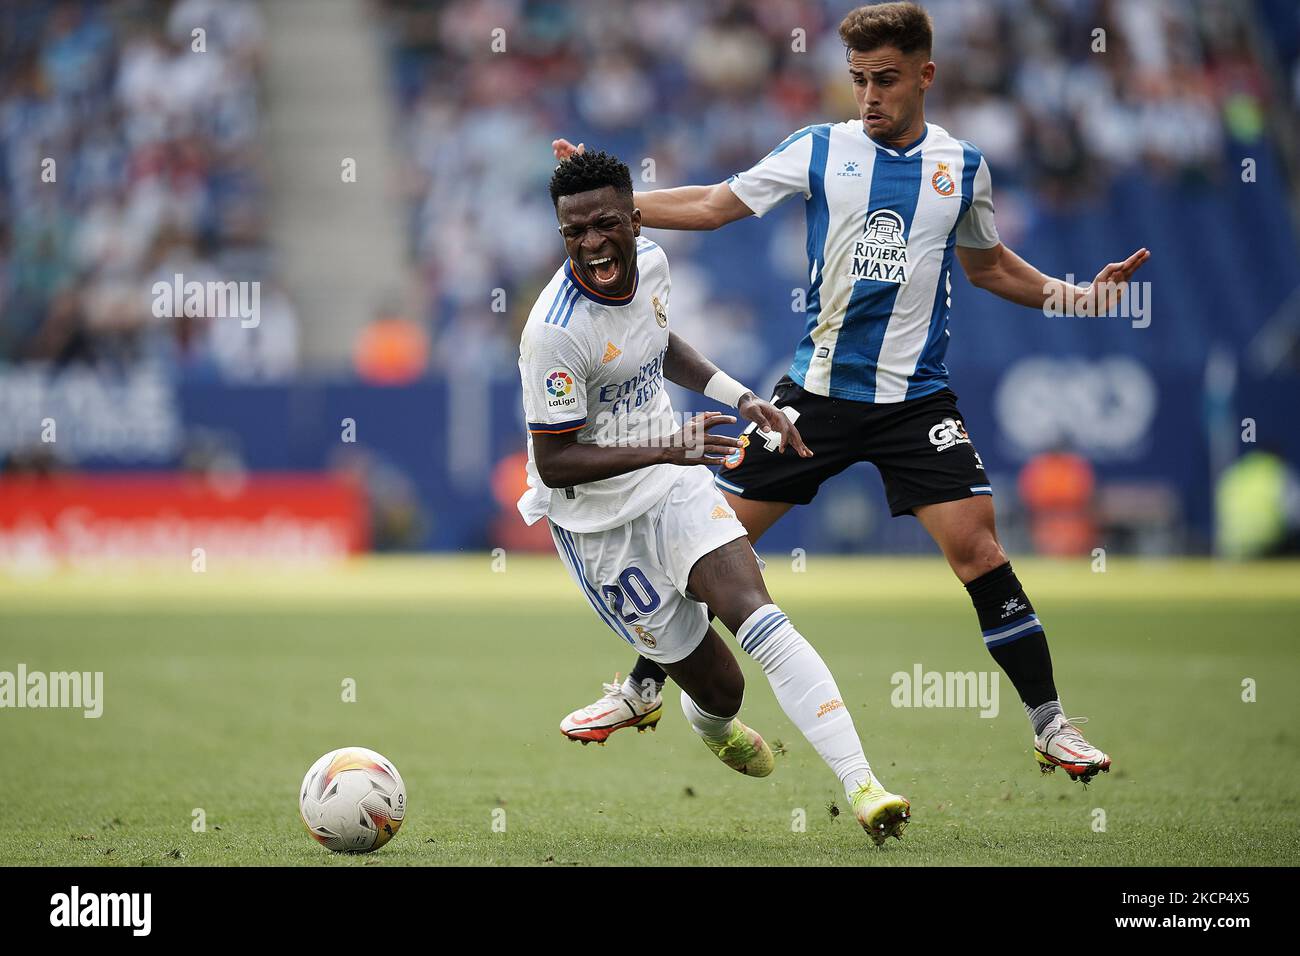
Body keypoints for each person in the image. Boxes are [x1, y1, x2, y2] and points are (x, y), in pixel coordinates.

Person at [554, 1, 1150, 784]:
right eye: (859, 80)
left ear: (925, 76)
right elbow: (712, 205)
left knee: (979, 550)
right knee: (711, 542)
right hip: (814, 398)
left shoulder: (961, 168)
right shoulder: (819, 149)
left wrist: (1079, 296)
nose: (869, 96)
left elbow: (990, 266)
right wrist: (612, 207)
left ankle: (1051, 726)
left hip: (916, 403)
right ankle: (640, 688)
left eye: (887, 80)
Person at [519, 147, 910, 843]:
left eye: (605, 224)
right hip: (600, 526)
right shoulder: (553, 330)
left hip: (673, 485)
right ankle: (686, 711)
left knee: (754, 607)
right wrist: (670, 444)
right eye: (573, 233)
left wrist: (740, 396)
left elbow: (658, 341)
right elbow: (554, 463)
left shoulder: (657, 267)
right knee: (721, 689)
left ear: (635, 220)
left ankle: (864, 786)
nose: (591, 244)